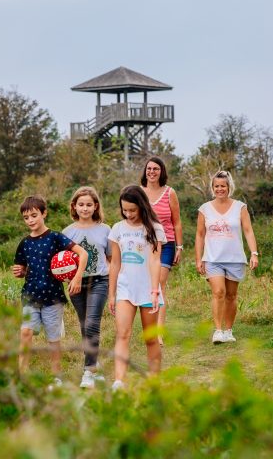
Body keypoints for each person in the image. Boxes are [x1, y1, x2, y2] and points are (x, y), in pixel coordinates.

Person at [12, 195, 88, 387]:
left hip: (53, 297)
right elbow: (21, 269)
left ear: (44, 213)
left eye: (34, 215)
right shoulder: (24, 243)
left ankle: (56, 376)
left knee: (53, 339)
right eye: (26, 217)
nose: (30, 220)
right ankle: (22, 373)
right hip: (30, 295)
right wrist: (20, 272)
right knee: (26, 332)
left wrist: (77, 276)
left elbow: (83, 253)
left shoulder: (55, 237)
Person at [108, 185, 166, 391]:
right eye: (125, 210)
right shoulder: (117, 229)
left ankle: (154, 381)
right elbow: (115, 263)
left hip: (148, 289)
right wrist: (112, 294)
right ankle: (119, 380)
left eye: (133, 210)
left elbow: (155, 261)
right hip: (125, 289)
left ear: (142, 206)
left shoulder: (155, 229)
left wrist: (154, 290)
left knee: (150, 338)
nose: (129, 214)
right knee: (122, 334)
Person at [194, 171, 259, 344]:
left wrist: (254, 253)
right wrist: (199, 259)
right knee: (219, 292)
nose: (220, 189)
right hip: (212, 258)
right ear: (212, 187)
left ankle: (229, 331)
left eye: (223, 186)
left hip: (235, 258)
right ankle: (218, 331)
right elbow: (200, 235)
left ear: (229, 187)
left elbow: (248, 231)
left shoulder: (240, 207)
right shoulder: (204, 209)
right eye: (216, 186)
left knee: (231, 295)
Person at [62, 186, 112, 389]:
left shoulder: (105, 230)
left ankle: (88, 372)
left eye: (89, 205)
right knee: (84, 326)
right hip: (76, 283)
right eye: (81, 204)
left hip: (100, 280)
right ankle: (95, 363)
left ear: (96, 206)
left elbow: (110, 258)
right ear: (74, 206)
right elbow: (62, 262)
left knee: (92, 324)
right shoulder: (67, 232)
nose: (85, 208)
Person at [141, 156, 183, 347]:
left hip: (166, 244)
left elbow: (177, 222)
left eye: (156, 169)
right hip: (143, 244)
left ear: (161, 171)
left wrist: (179, 247)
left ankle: (158, 333)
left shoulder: (169, 193)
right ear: (145, 171)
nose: (152, 172)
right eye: (149, 169)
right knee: (146, 286)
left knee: (159, 286)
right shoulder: (138, 192)